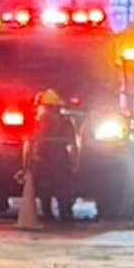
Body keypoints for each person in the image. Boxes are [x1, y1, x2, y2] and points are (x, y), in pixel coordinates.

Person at [28, 89, 79, 221]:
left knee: (47, 189)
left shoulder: (38, 122)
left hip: (46, 159)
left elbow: (31, 142)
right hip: (60, 160)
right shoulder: (65, 122)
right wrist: (75, 162)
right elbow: (73, 144)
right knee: (62, 189)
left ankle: (50, 214)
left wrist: (29, 160)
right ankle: (65, 214)